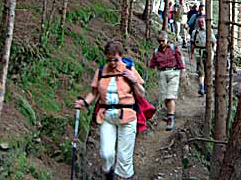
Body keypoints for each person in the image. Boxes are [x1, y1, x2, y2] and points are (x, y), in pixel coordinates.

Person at [75, 40, 145, 180]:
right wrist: (84, 102)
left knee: (124, 157)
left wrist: (134, 81)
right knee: (106, 154)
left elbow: (142, 93)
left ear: (121, 56)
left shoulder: (129, 70)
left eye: (116, 59)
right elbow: (94, 93)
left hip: (127, 116)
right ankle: (109, 174)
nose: (112, 63)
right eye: (109, 59)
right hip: (106, 116)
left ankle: (125, 177)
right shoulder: (101, 71)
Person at [149, 30, 185, 131]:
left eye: (163, 41)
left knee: (170, 96)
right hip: (162, 73)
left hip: (173, 73)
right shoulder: (156, 51)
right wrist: (151, 65)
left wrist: (182, 71)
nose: (161, 43)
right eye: (159, 41)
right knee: (165, 97)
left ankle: (170, 118)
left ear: (167, 39)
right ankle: (170, 112)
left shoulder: (173, 48)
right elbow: (153, 63)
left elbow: (179, 59)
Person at [190, 16, 216, 96]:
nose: (201, 23)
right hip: (198, 52)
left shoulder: (209, 31)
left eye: (202, 22)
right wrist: (191, 54)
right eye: (199, 22)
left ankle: (206, 87)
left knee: (208, 70)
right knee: (201, 71)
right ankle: (201, 87)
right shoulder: (195, 32)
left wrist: (213, 51)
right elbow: (192, 44)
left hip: (208, 52)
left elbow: (214, 42)